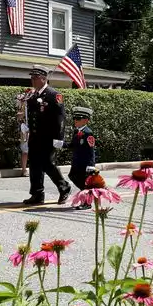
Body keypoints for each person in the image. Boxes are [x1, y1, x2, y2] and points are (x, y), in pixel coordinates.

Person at [22, 65, 71, 206]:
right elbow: (31, 115)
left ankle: (64, 187)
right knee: (35, 165)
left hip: (49, 138)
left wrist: (59, 139)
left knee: (48, 164)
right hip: (35, 137)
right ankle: (37, 194)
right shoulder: (33, 96)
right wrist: (25, 125)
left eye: (35, 78)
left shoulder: (53, 95)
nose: (33, 80)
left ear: (43, 79)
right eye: (32, 78)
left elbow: (61, 118)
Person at [67, 106, 97, 190]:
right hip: (76, 162)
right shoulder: (77, 131)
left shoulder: (88, 133)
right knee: (72, 176)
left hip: (84, 164)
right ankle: (84, 194)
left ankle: (86, 201)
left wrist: (91, 165)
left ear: (86, 120)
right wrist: (61, 144)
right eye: (74, 118)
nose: (75, 120)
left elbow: (91, 150)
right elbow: (72, 145)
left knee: (85, 182)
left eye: (78, 118)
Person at [15, 92, 31, 175]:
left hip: (34, 128)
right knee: (25, 151)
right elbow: (18, 116)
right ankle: (24, 170)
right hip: (25, 128)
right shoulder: (21, 106)